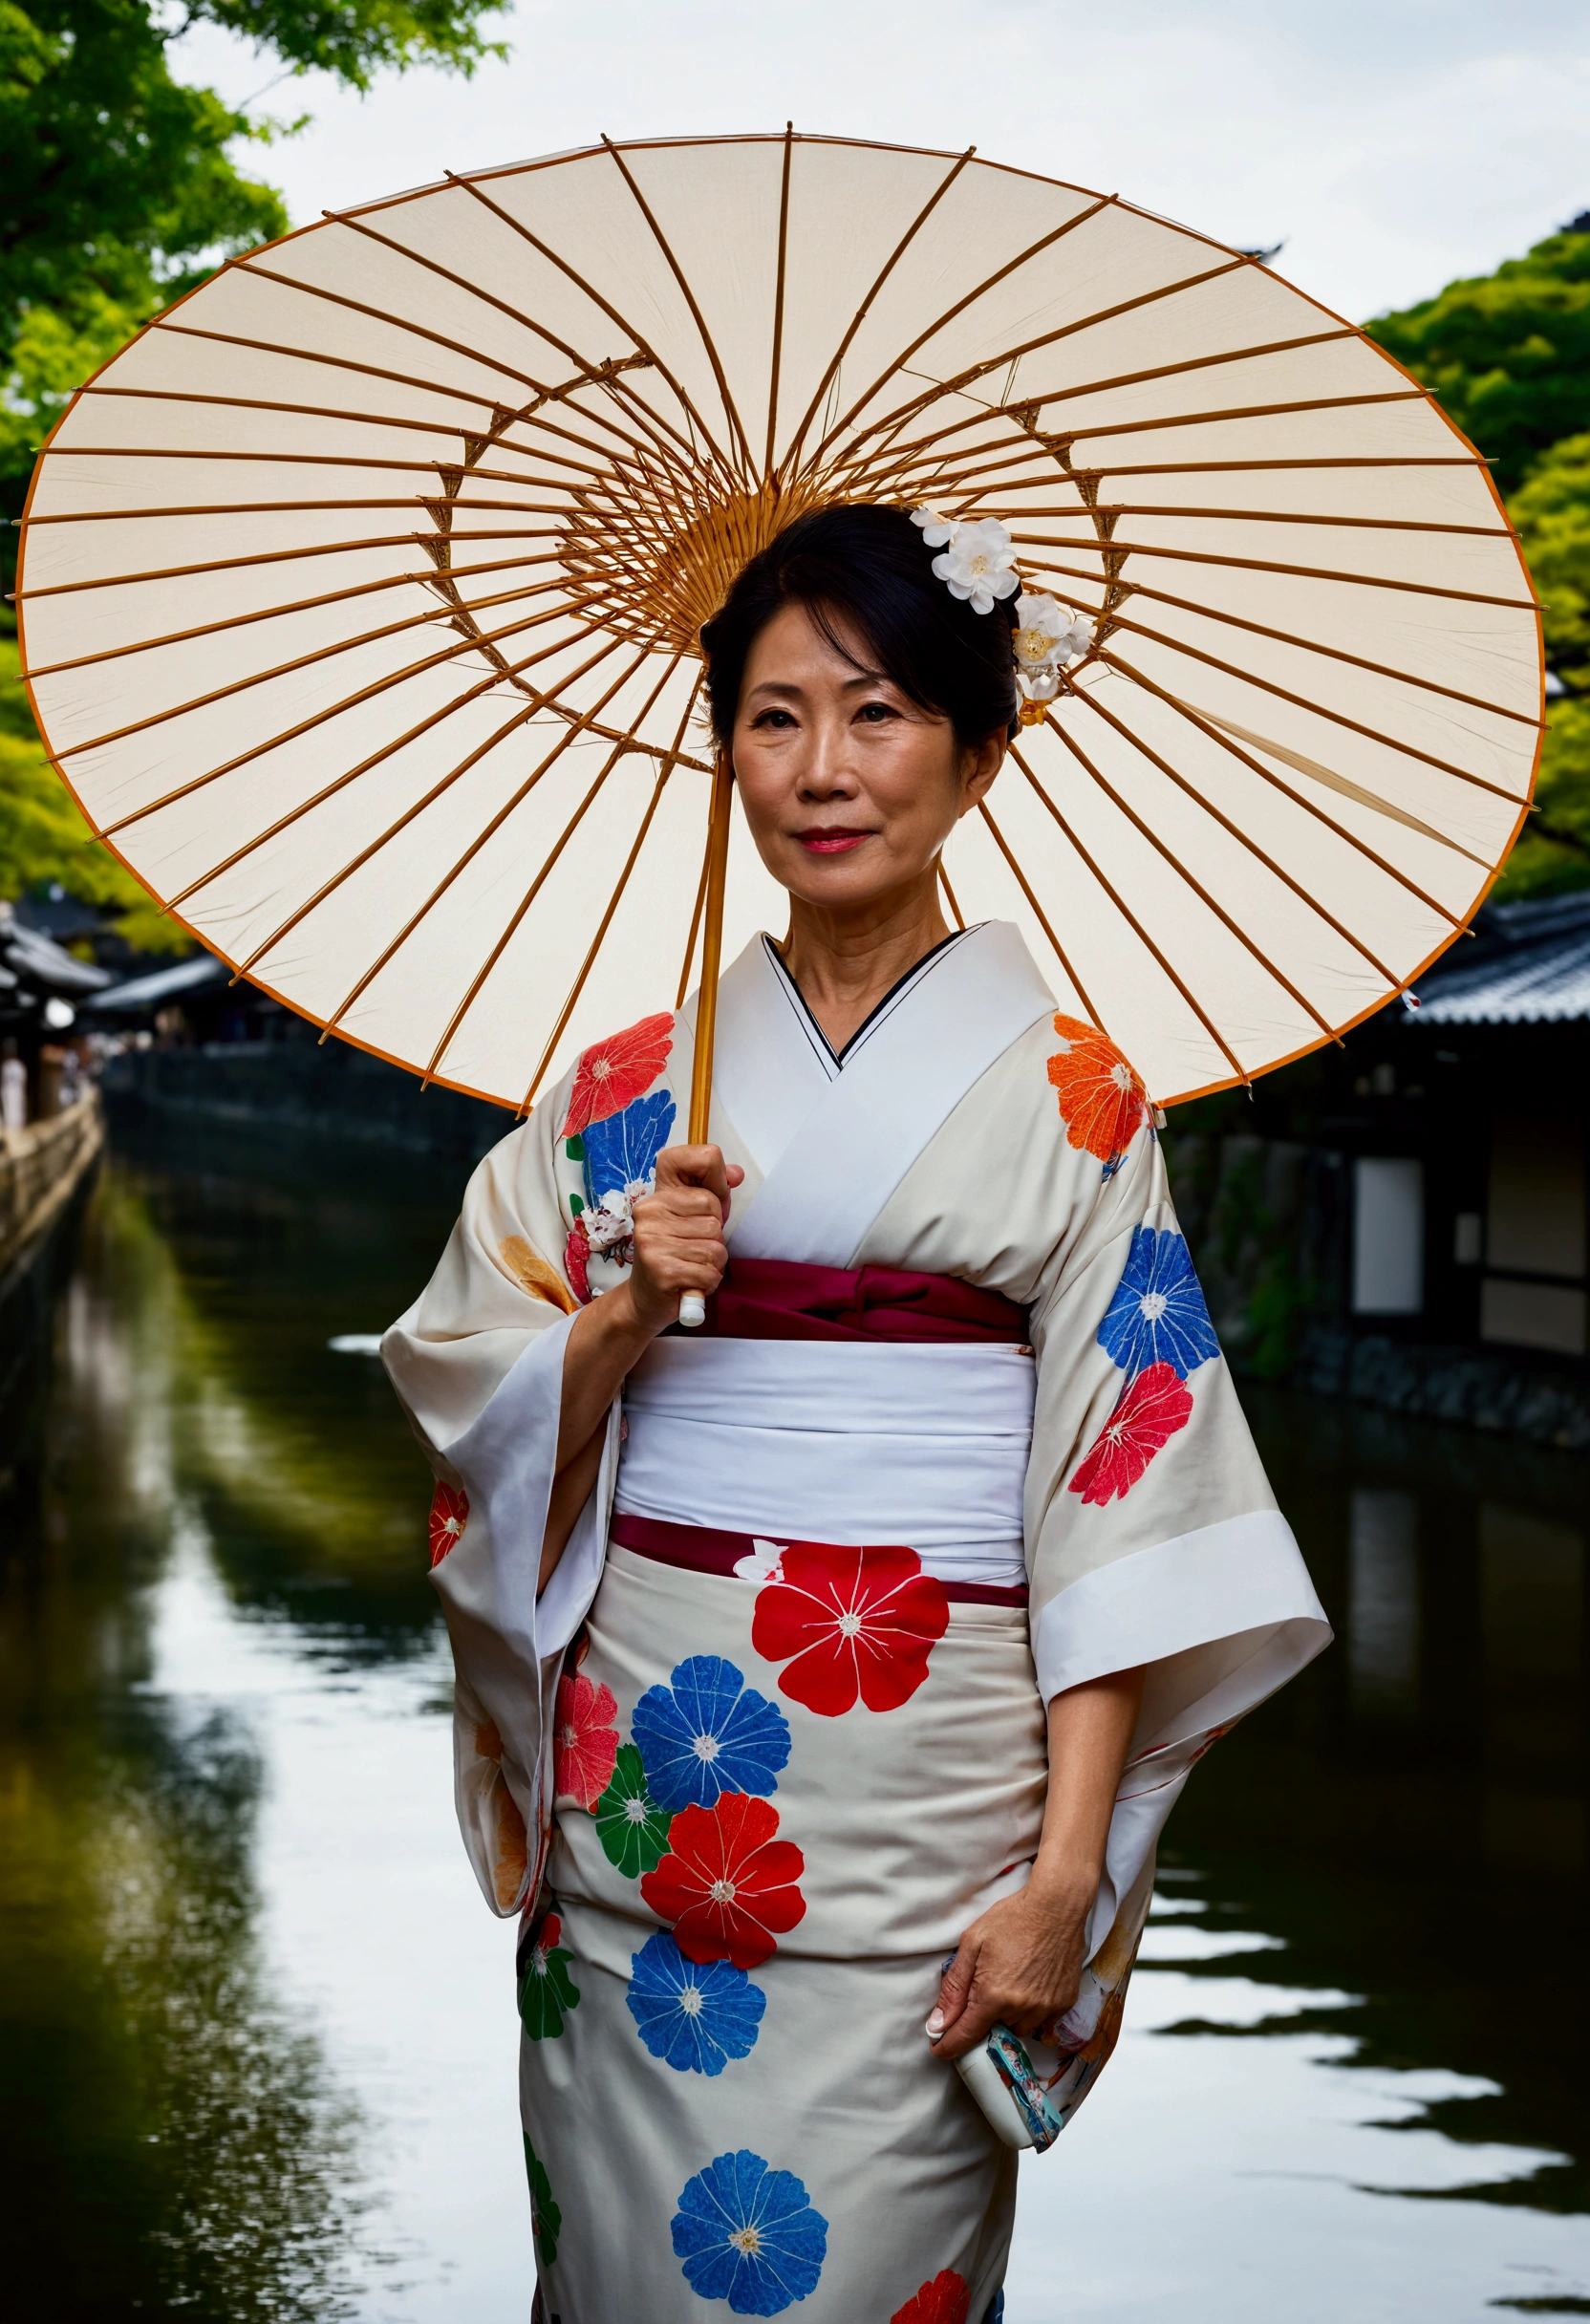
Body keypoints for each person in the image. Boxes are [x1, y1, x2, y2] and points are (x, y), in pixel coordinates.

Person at [382, 504, 1330, 2323]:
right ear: (722, 742)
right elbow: (459, 1398)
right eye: (771, 714)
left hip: (937, 1811)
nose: (822, 771)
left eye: (878, 712)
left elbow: (1117, 1508)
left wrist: (1065, 1878)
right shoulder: (616, 1102)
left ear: (980, 749)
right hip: (654, 1791)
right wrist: (618, 1317)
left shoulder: (1078, 1103)